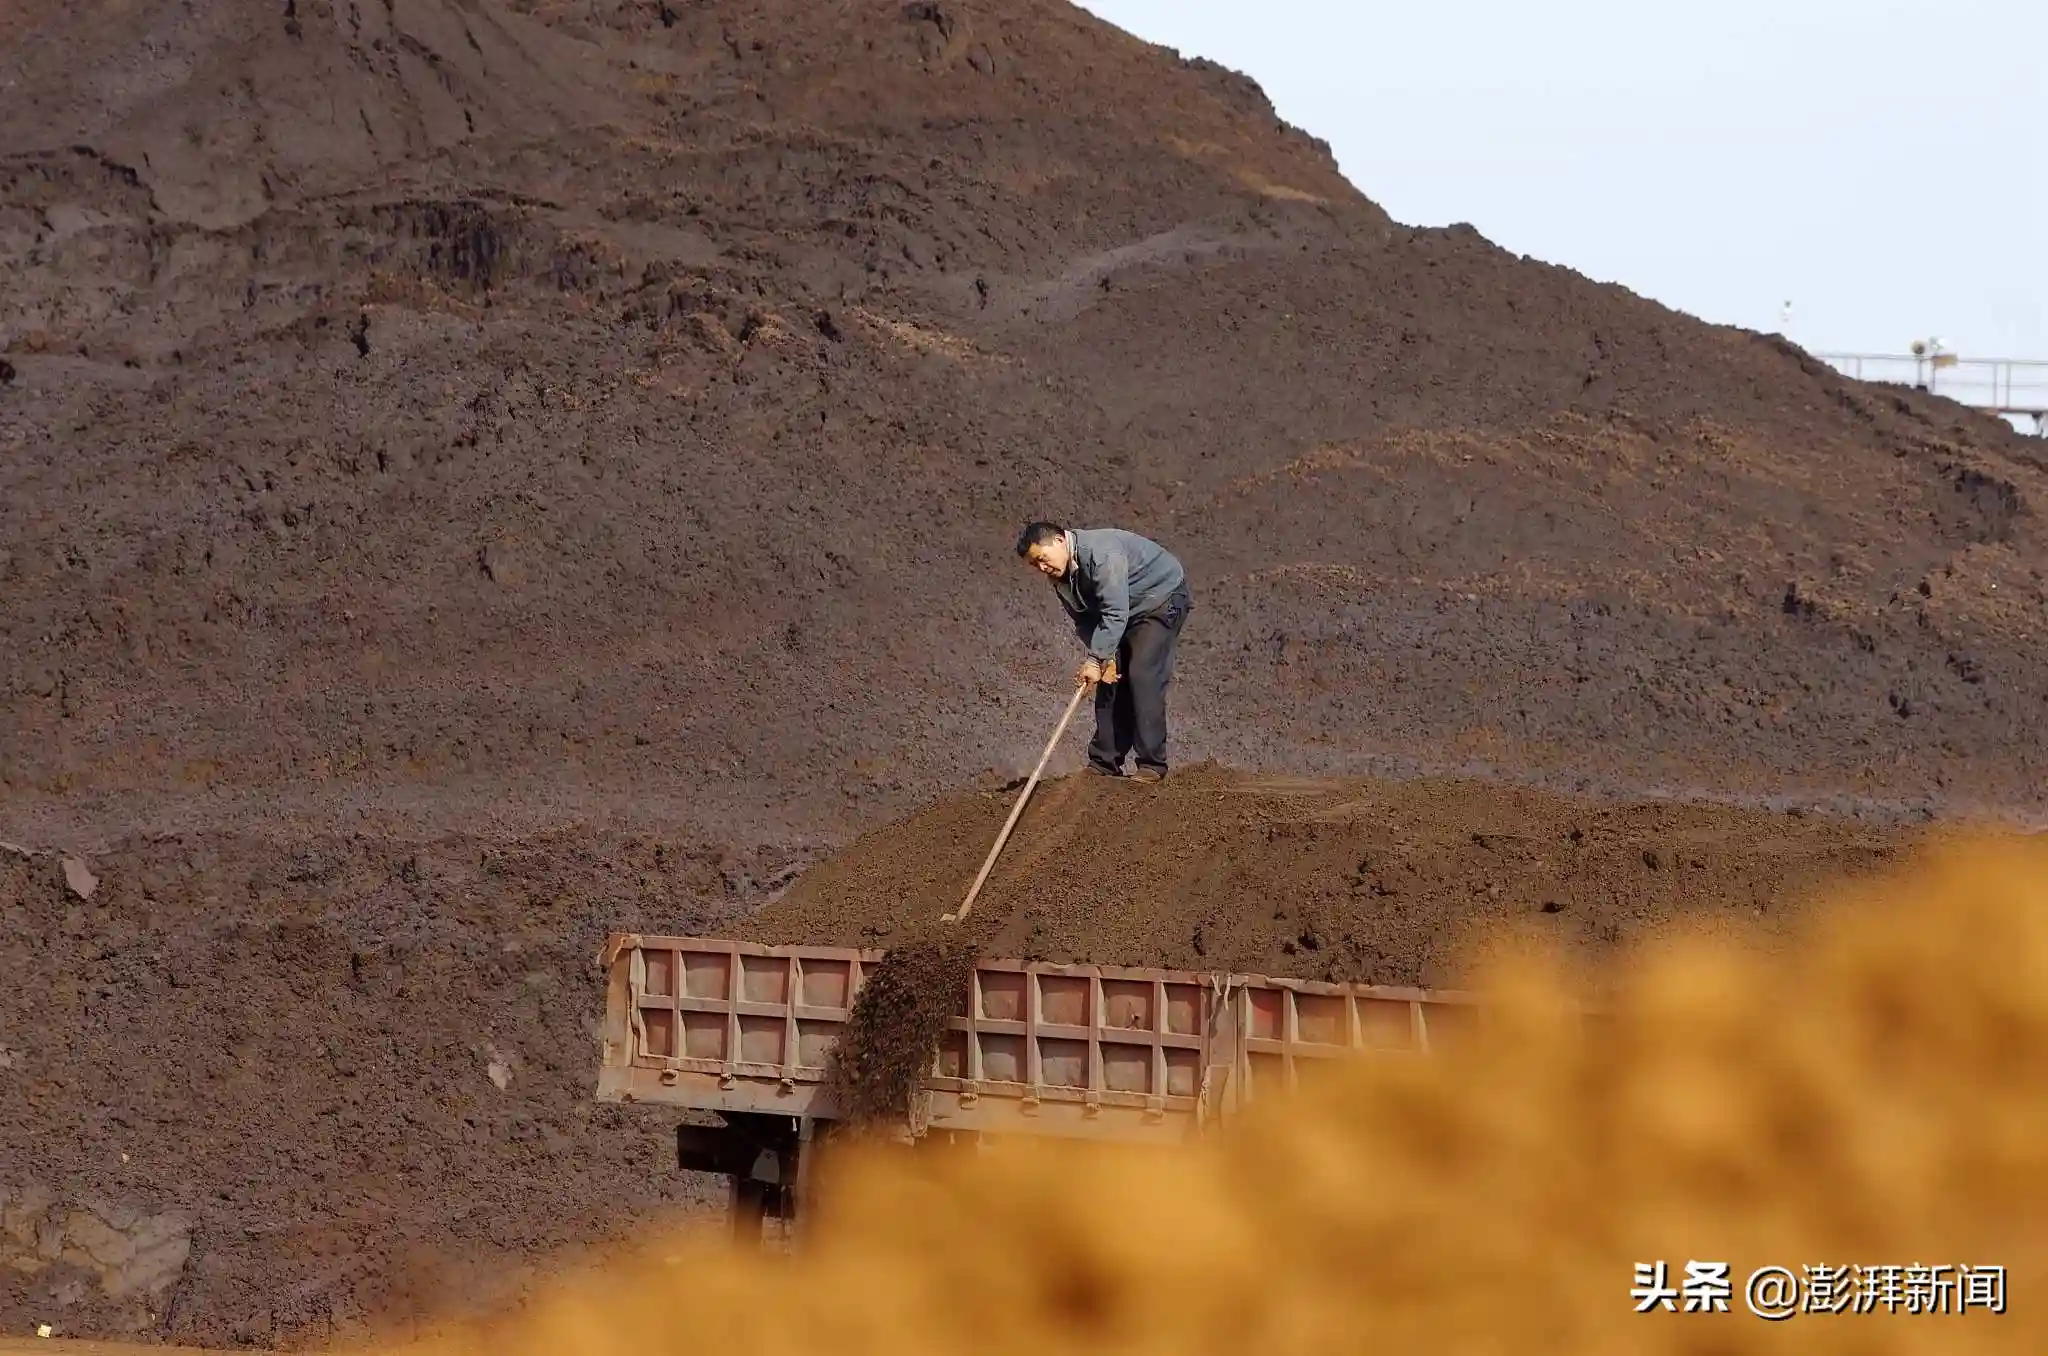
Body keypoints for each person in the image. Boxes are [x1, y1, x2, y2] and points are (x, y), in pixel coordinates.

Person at [1015, 521, 1193, 783]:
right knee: (1109, 678)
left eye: (1042, 558)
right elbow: (1084, 621)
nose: (1042, 567)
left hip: (1160, 600)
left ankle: (1152, 764)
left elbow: (1114, 610)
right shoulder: (1060, 578)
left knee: (1142, 674)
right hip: (1123, 612)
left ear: (1060, 541)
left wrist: (1095, 658)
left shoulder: (1102, 555)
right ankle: (1104, 762)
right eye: (1035, 565)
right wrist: (1103, 658)